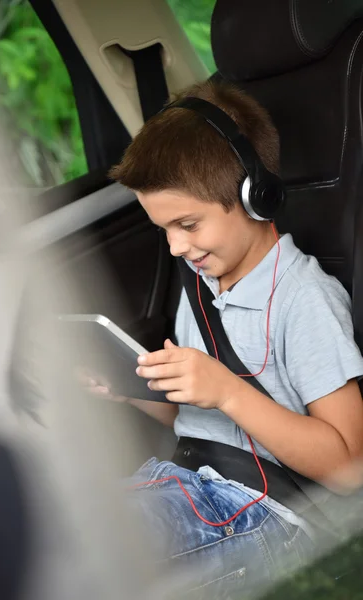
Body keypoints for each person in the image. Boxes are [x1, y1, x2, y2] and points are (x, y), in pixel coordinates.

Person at [85, 80, 363, 597]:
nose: (174, 246)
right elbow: (194, 419)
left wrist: (228, 390)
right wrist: (127, 388)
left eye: (188, 224)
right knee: (63, 520)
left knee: (83, 552)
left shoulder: (304, 300)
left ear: (254, 196)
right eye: (163, 229)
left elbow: (349, 469)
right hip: (188, 484)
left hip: (268, 514)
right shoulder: (202, 288)